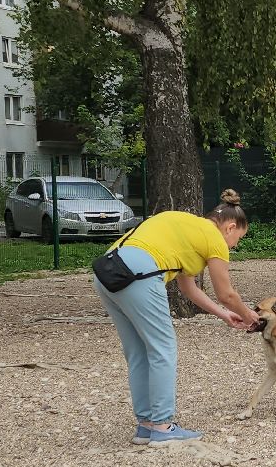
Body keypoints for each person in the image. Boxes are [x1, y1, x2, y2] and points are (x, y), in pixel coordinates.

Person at [94, 188, 260, 445]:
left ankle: (146, 425)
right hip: (141, 275)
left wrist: (224, 315)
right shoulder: (214, 240)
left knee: (138, 351)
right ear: (230, 227)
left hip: (108, 271)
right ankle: (162, 426)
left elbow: (188, 288)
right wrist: (248, 314)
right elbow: (226, 293)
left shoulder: (187, 227)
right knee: (163, 348)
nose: (235, 245)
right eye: (238, 238)